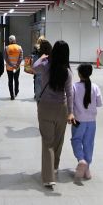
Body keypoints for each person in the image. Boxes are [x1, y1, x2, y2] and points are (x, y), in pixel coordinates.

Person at [33, 40, 74, 189]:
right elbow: (70, 94)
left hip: (45, 107)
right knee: (58, 142)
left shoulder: (45, 66)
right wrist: (71, 113)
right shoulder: (67, 72)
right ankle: (54, 167)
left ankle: (48, 177)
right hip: (61, 109)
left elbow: (34, 67)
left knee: (47, 142)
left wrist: (43, 57)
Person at [70, 64, 103, 181]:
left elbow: (70, 102)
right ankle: (87, 169)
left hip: (78, 120)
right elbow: (99, 103)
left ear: (79, 74)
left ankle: (81, 160)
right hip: (91, 121)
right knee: (89, 143)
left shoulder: (74, 87)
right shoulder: (95, 87)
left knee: (76, 140)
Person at [4, 35, 23, 100]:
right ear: (15, 40)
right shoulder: (19, 47)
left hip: (9, 68)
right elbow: (21, 57)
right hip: (17, 68)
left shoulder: (7, 48)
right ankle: (16, 91)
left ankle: (12, 95)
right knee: (16, 79)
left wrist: (12, 65)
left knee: (10, 81)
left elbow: (6, 58)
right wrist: (16, 65)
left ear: (9, 41)